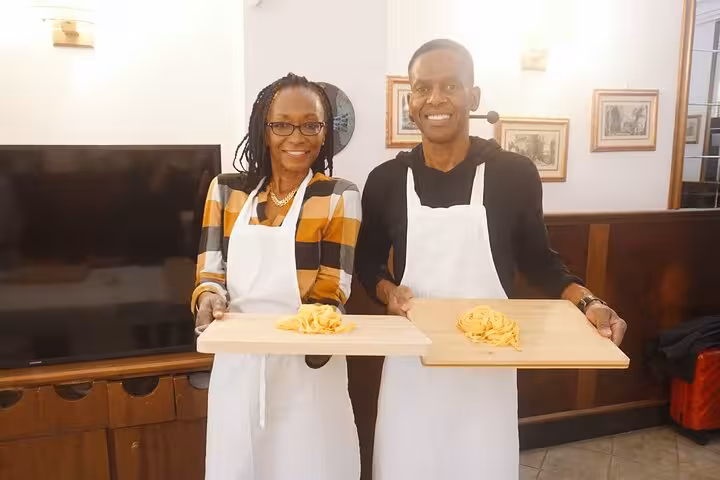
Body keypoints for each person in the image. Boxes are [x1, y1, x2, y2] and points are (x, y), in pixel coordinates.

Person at [356, 39, 628, 480]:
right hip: (412, 364)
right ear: (411, 102)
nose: (436, 99)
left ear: (474, 97)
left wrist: (589, 303)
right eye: (423, 88)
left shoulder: (513, 174)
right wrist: (389, 291)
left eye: (450, 85)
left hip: (489, 367)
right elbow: (368, 265)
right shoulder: (386, 180)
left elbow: (541, 263)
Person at [192, 73, 361, 480]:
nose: (296, 137)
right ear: (263, 130)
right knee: (239, 465)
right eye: (282, 124)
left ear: (324, 134)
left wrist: (305, 340)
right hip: (239, 366)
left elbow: (332, 291)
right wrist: (208, 300)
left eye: (311, 125)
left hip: (308, 368)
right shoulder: (225, 191)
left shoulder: (339, 195)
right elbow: (211, 273)